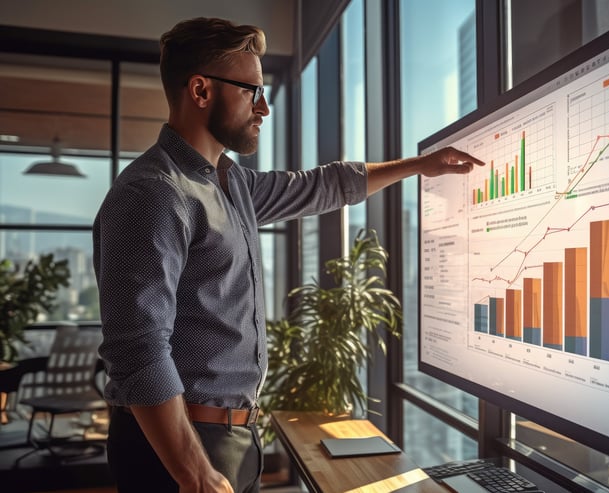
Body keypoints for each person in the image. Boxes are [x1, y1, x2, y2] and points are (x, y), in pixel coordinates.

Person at [93, 17, 483, 493]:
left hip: (230, 435)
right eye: (251, 91)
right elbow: (138, 352)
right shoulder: (154, 193)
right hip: (177, 445)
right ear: (200, 91)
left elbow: (321, 186)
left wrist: (419, 165)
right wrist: (194, 472)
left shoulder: (229, 181)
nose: (264, 108)